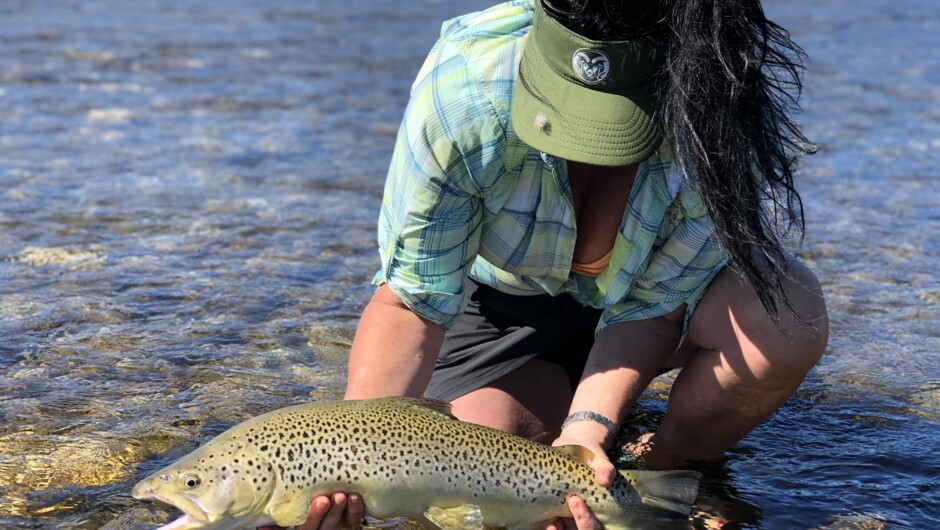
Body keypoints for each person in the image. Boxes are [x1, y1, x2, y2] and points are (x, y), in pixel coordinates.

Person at [273, 0, 829, 528]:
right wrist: (346, 464)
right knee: (476, 493)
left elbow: (652, 311)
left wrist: (587, 435)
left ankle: (668, 469)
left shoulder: (721, 128)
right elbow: (415, 300)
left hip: (658, 316)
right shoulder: (463, 94)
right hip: (501, 313)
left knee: (786, 315)